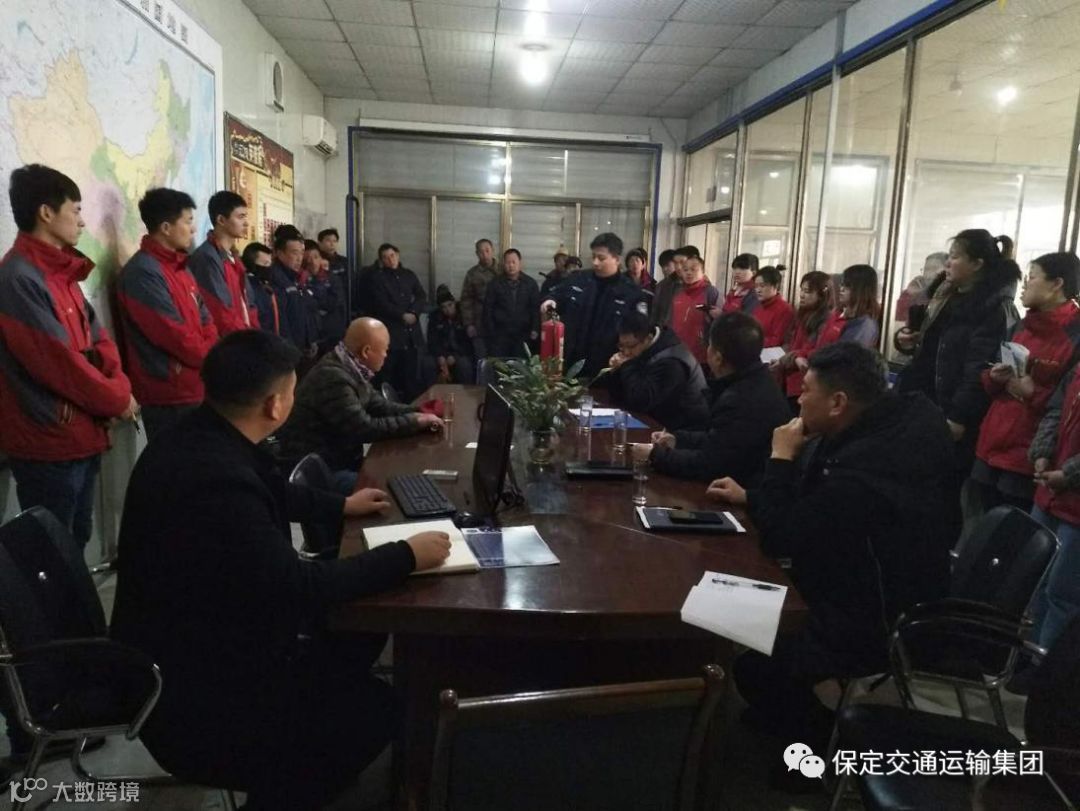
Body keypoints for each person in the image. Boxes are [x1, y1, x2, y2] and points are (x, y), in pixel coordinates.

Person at [110, 330, 451, 811]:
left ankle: (317, 757)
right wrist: (406, 555)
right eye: (292, 390)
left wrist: (340, 506)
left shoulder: (202, 435)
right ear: (274, 405)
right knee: (385, 707)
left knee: (361, 631)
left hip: (211, 638)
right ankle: (287, 785)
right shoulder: (215, 479)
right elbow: (296, 586)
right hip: (197, 692)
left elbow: (271, 491)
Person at [707, 342, 952, 764]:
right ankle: (789, 715)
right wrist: (751, 496)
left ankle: (812, 748)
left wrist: (781, 458)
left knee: (740, 641)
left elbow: (783, 538)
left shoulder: (867, 466)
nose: (798, 400)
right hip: (847, 582)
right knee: (747, 654)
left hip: (874, 614)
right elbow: (809, 512)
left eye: (806, 390)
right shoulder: (878, 428)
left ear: (838, 402)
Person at [0, 164, 137, 550]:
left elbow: (100, 340)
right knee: (51, 552)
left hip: (83, 431)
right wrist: (117, 398)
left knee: (77, 537)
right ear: (46, 213)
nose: (81, 221)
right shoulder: (18, 278)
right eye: (75, 210)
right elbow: (59, 364)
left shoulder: (62, 274)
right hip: (49, 439)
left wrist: (117, 386)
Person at [897, 230, 1021, 542]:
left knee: (943, 495)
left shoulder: (993, 307)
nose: (947, 263)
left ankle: (937, 555)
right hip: (924, 401)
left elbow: (978, 366)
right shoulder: (946, 295)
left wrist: (958, 416)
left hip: (952, 412)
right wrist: (906, 340)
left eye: (955, 257)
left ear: (977, 264)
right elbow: (932, 347)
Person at [277, 317, 443, 492]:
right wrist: (414, 421)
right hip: (323, 474)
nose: (386, 355)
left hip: (339, 460)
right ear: (366, 351)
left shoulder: (350, 366)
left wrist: (420, 412)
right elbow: (364, 428)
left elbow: (380, 406)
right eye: (385, 350)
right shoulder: (334, 377)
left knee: (403, 477)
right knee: (393, 489)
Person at [971, 253, 1080, 517]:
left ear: (1057, 284)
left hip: (1027, 456)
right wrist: (993, 377)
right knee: (982, 523)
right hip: (991, 444)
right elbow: (990, 371)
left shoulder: (1075, 335)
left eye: (1032, 277)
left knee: (1012, 531)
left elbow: (1066, 402)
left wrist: (1034, 393)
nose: (1025, 284)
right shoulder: (1022, 325)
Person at [631, 312, 789, 483]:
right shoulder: (759, 380)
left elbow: (709, 465)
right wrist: (677, 440)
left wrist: (654, 455)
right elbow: (721, 440)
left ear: (717, 357)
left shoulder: (740, 399)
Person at [116, 188, 218, 440]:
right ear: (165, 228)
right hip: (168, 395)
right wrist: (210, 356)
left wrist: (212, 352)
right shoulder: (142, 273)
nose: (193, 229)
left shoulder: (181, 267)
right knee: (176, 461)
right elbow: (173, 335)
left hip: (196, 385)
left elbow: (206, 318)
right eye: (188, 221)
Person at [1029, 337, 1080, 652]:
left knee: (1063, 594)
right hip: (1049, 494)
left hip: (1075, 506)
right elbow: (1055, 411)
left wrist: (1069, 474)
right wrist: (1043, 453)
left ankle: (1048, 669)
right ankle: (1026, 657)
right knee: (1034, 581)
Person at [540, 232, 649, 379]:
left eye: (601, 258)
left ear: (616, 259)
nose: (595, 262)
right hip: (570, 366)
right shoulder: (579, 279)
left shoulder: (631, 293)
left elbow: (639, 334)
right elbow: (556, 294)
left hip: (606, 370)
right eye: (593, 257)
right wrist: (550, 301)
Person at [604, 309, 709, 431]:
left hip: (683, 429)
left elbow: (641, 401)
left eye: (630, 346)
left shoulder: (671, 362)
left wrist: (626, 366)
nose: (626, 352)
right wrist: (615, 371)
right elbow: (620, 399)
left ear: (648, 338)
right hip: (654, 422)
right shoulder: (642, 351)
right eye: (621, 346)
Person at [187, 190, 256, 336]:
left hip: (243, 339)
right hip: (229, 342)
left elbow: (249, 306)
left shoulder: (234, 258)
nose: (246, 223)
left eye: (246, 217)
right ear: (221, 220)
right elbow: (220, 313)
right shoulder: (207, 258)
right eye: (240, 217)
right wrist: (247, 341)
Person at [366, 243, 429, 400]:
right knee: (389, 374)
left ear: (398, 255)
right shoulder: (378, 278)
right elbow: (381, 304)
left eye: (392, 255)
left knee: (412, 376)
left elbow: (421, 295)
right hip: (392, 332)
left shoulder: (409, 274)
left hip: (412, 334)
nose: (390, 259)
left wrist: (414, 312)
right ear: (381, 260)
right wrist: (401, 315)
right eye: (385, 257)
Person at [774, 271, 835, 412]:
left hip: (802, 383)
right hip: (789, 377)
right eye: (801, 290)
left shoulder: (825, 320)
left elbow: (812, 349)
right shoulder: (802, 314)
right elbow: (792, 343)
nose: (801, 295)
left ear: (821, 295)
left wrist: (790, 358)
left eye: (807, 291)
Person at [267, 226, 319, 362]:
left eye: (302, 253)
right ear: (279, 253)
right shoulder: (275, 278)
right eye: (294, 253)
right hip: (289, 353)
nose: (299, 258)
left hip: (302, 348)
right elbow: (280, 322)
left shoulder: (295, 277)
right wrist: (289, 352)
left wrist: (310, 340)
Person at [483, 248, 540, 358]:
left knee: (520, 365)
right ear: (503, 264)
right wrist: (491, 332)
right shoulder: (495, 284)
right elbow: (488, 310)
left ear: (520, 263)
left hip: (523, 334)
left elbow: (535, 309)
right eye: (508, 262)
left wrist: (535, 329)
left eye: (514, 262)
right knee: (500, 365)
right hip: (500, 335)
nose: (511, 265)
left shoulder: (530, 284)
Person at [669, 253, 719, 366]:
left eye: (693, 269)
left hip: (702, 354)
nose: (688, 273)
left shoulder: (711, 292)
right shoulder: (677, 292)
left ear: (703, 272)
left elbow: (719, 322)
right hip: (678, 351)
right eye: (685, 270)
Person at [822, 264, 881, 348]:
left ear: (861, 290)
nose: (841, 289)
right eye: (842, 284)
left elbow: (847, 354)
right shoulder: (844, 316)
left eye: (848, 285)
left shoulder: (866, 325)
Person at [459, 238, 498, 357]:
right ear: (477, 254)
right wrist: (469, 324)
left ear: (493, 250)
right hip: (480, 322)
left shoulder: (503, 269)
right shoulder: (472, 274)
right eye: (481, 252)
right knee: (481, 359)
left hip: (500, 322)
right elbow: (466, 300)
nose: (485, 255)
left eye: (487, 250)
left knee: (500, 360)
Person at [427, 286, 474, 384]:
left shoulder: (463, 316)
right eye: (444, 307)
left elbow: (468, 343)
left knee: (464, 365)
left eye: (450, 305)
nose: (448, 309)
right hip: (442, 352)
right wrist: (440, 355)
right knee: (428, 364)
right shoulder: (435, 318)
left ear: (454, 303)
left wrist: (455, 356)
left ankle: (467, 391)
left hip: (460, 352)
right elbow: (432, 341)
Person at [311, 235, 349, 352]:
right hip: (314, 331)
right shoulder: (303, 279)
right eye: (328, 240)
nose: (312, 262)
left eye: (316, 257)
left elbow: (336, 300)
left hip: (334, 327)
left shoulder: (336, 273)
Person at [895, 251, 948, 323]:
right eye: (926, 269)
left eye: (934, 269)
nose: (928, 274)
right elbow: (897, 319)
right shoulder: (909, 293)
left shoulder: (950, 294)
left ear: (946, 271)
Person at [751, 265, 794, 348]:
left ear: (776, 286)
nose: (758, 290)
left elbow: (777, 341)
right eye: (756, 286)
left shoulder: (785, 309)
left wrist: (752, 341)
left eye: (762, 286)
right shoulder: (758, 306)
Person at [242, 242, 279, 335]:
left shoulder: (264, 286)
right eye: (265, 263)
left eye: (270, 263)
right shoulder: (249, 287)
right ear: (252, 265)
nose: (269, 267)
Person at [650, 248, 680, 329]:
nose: (664, 269)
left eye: (667, 265)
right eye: (662, 266)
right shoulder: (660, 286)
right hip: (662, 329)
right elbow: (655, 311)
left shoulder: (685, 285)